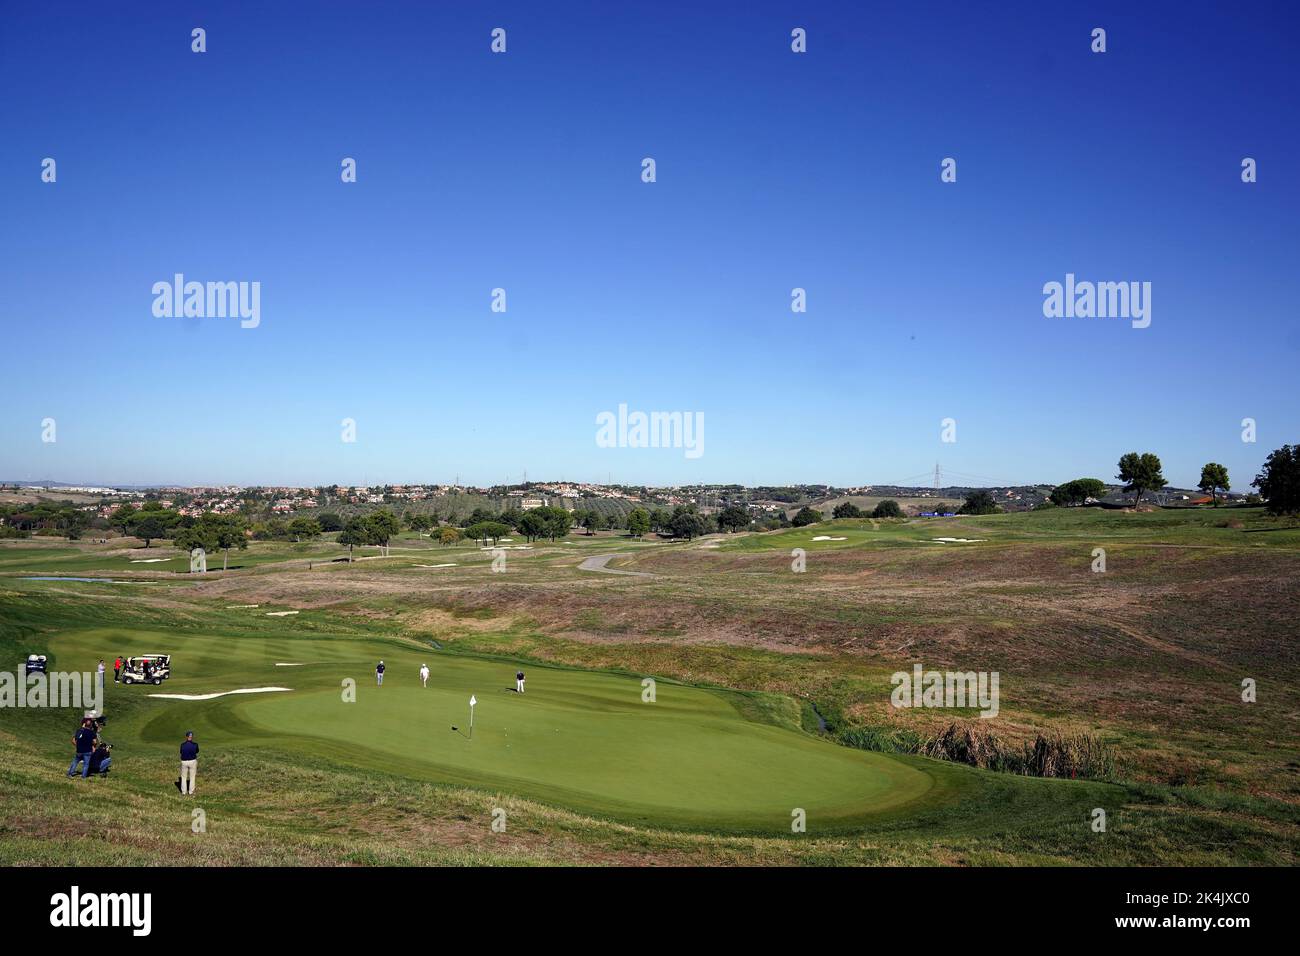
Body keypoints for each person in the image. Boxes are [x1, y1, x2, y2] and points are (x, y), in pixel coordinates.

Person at [179, 731, 199, 795]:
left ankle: (184, 792)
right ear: (191, 737)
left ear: (186, 737)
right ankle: (191, 792)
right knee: (192, 777)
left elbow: (181, 752)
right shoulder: (195, 744)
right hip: (192, 761)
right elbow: (197, 751)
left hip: (184, 762)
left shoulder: (182, 745)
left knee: (184, 777)